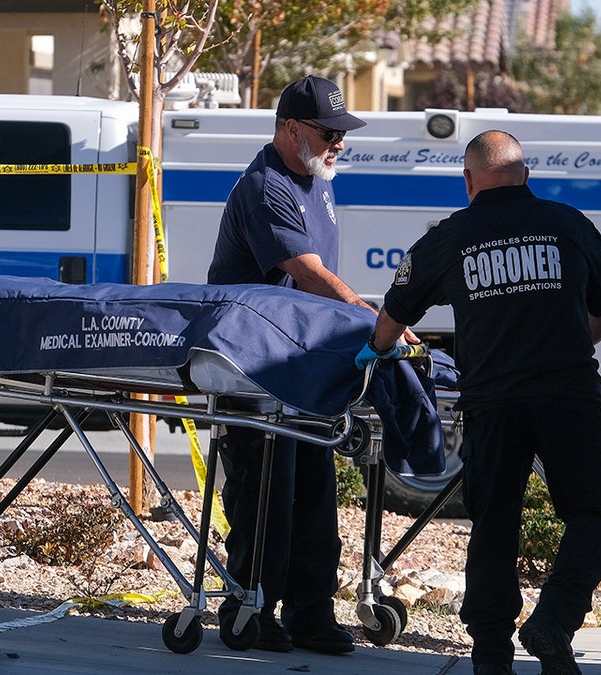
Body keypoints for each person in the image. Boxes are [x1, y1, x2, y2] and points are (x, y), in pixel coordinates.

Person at [357, 130, 601, 674]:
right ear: (525, 175)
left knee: (494, 522)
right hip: (568, 395)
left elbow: (396, 310)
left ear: (469, 182)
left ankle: (490, 654)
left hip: (494, 402)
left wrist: (374, 354)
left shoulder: (451, 236)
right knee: (596, 509)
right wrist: (572, 342)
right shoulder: (569, 224)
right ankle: (554, 619)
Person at [208, 74, 390, 655]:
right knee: (265, 491)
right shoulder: (267, 186)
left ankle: (312, 614)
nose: (339, 143)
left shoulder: (317, 177)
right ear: (292, 129)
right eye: (329, 132)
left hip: (304, 361)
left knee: (314, 490)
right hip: (256, 365)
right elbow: (309, 271)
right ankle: (251, 608)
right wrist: (371, 317)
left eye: (343, 134)